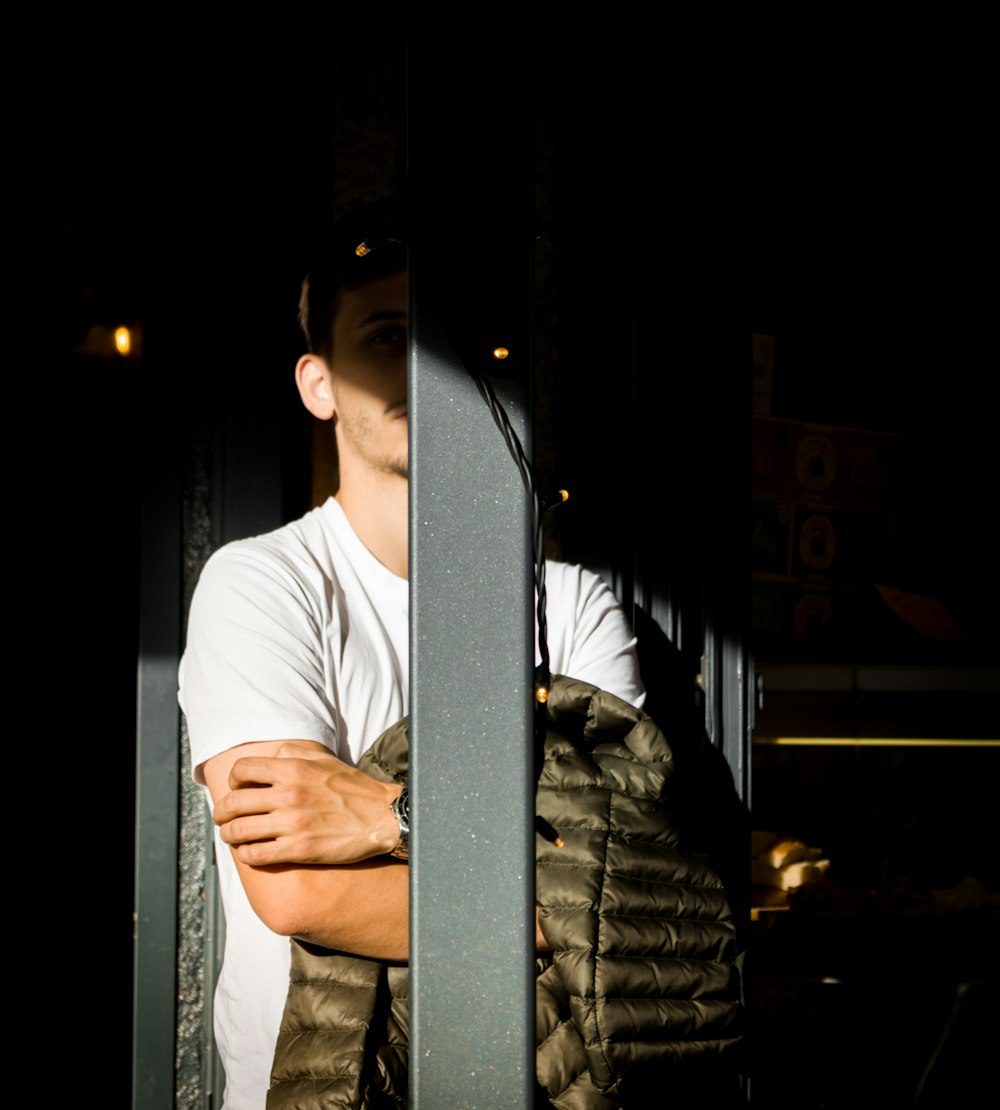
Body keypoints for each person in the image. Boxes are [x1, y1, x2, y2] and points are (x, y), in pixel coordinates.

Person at [177, 199, 647, 1109]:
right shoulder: (263, 584)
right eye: (386, 336)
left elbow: (620, 889)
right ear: (318, 384)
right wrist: (534, 894)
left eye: (444, 338)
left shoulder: (574, 602)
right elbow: (299, 892)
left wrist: (384, 814)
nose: (423, 367)